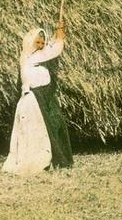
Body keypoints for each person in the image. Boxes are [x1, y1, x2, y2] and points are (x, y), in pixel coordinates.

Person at [5, 23, 72, 172]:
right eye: (38, 42)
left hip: (39, 96)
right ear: (31, 42)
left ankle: (47, 159)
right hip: (35, 99)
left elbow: (49, 48)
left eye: (42, 43)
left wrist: (57, 33)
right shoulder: (30, 57)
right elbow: (54, 50)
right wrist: (60, 37)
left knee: (41, 129)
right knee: (39, 129)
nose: (41, 45)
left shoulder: (30, 54)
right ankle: (39, 161)